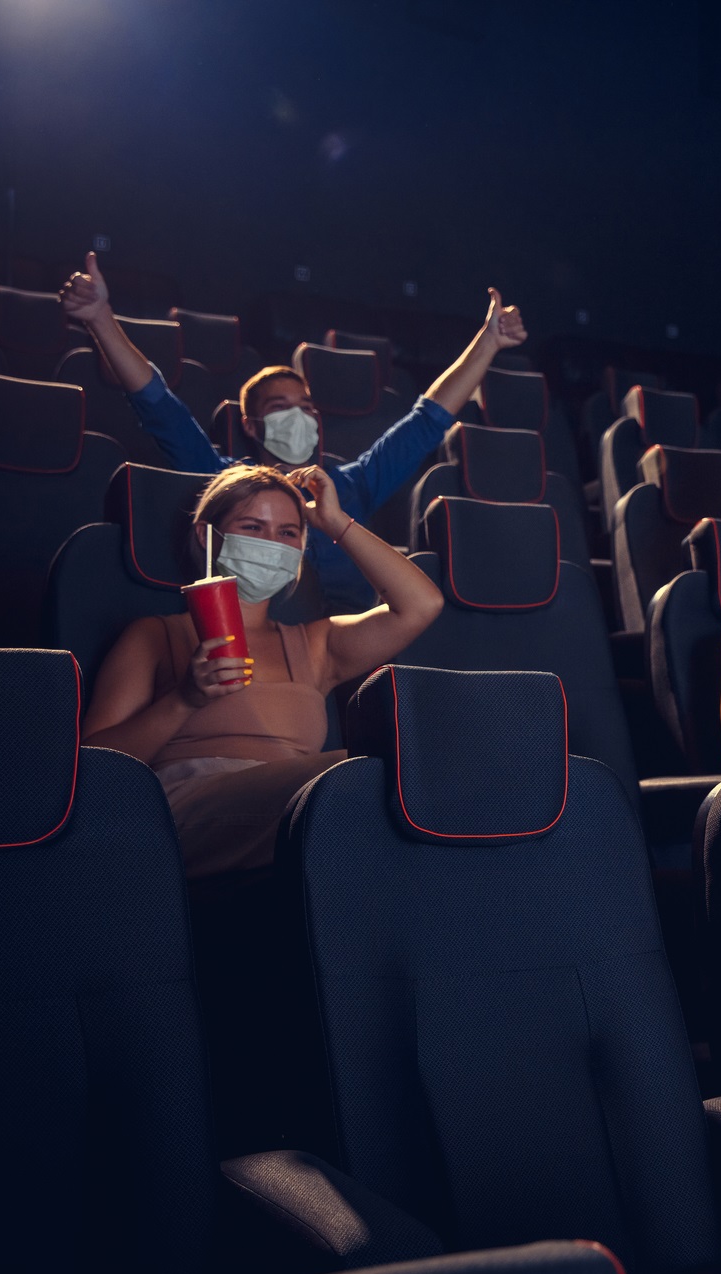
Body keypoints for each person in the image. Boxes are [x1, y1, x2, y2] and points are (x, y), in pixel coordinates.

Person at [59, 251, 526, 612]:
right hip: (269, 632)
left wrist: (488, 344)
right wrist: (101, 319)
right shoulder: (222, 480)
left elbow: (427, 421)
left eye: (305, 406)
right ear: (250, 424)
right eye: (280, 407)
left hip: (349, 636)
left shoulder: (351, 483)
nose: (298, 416)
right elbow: (157, 404)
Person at [82, 464, 444, 878]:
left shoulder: (316, 644)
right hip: (189, 809)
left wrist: (335, 522)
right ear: (207, 535)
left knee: (388, 780)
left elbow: (421, 606)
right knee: (361, 777)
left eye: (288, 533)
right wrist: (184, 700)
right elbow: (97, 763)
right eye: (253, 526)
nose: (272, 543)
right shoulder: (155, 635)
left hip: (307, 809)